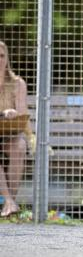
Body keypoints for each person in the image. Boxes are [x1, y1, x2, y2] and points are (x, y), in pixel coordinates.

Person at [0, 41, 30, 218]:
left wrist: (14, 114)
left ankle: (8, 204)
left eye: (2, 56)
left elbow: (23, 113)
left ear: (7, 59)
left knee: (20, 146)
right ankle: (9, 203)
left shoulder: (18, 83)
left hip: (9, 134)